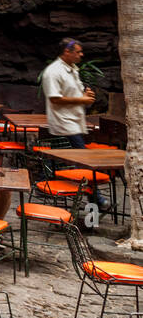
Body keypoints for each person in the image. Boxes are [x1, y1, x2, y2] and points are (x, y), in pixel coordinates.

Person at [42, 38, 111, 212]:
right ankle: (96, 202)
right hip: (64, 122)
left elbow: (72, 93)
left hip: (74, 120)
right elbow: (54, 98)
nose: (82, 54)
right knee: (84, 163)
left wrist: (84, 94)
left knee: (69, 160)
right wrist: (81, 99)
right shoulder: (53, 71)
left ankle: (47, 185)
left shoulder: (73, 69)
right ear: (67, 51)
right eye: (78, 51)